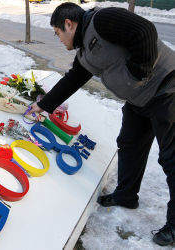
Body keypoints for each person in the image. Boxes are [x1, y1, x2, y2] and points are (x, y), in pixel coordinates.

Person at [28, 2, 175, 246]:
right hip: (140, 99)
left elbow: (145, 31)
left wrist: (139, 71)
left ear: (69, 24)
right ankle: (126, 195)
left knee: (171, 158)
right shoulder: (85, 51)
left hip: (166, 89)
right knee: (129, 143)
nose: (59, 40)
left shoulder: (102, 20)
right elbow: (74, 78)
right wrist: (44, 105)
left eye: (58, 33)